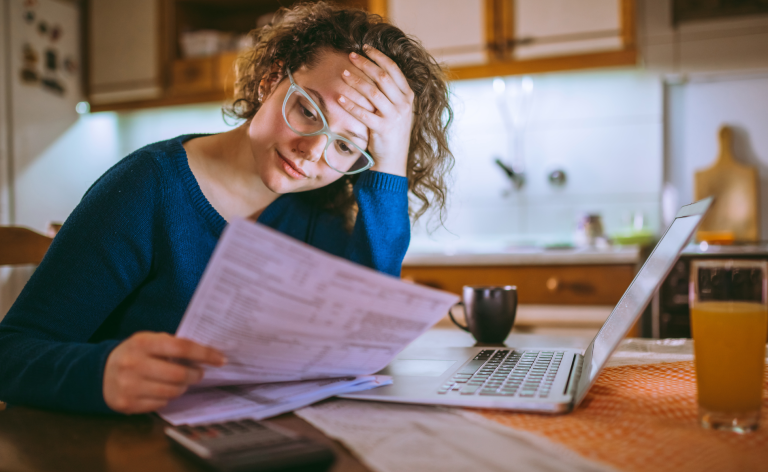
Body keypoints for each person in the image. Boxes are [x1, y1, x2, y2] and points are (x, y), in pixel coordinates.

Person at [0, 3, 453, 415]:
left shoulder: (319, 210)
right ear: (271, 78)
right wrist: (101, 372)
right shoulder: (146, 188)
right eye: (309, 110)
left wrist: (391, 163)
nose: (313, 153)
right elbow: (12, 351)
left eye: (348, 146)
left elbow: (363, 342)